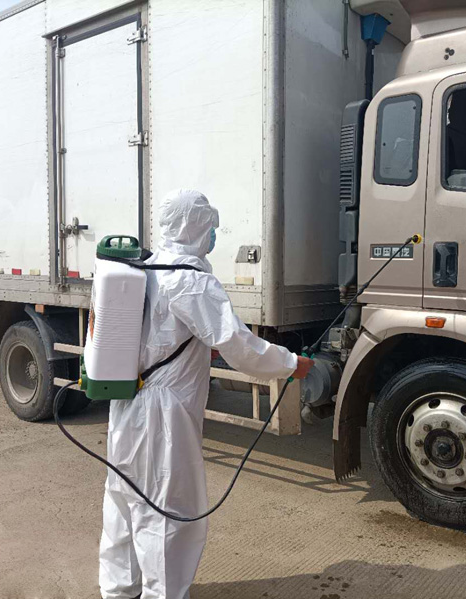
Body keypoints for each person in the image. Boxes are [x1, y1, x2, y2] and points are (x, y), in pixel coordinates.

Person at [98, 189, 313, 599]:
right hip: (163, 415)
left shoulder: (146, 269)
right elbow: (239, 346)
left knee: (124, 500)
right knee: (167, 512)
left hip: (126, 403)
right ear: (195, 227)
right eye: (210, 226)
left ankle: (118, 591)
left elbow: (161, 334)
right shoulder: (191, 281)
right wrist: (291, 363)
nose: (214, 234)